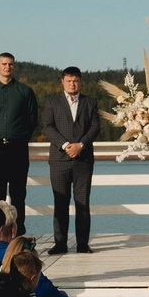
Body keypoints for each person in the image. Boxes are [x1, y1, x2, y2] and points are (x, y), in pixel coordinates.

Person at [40, 66, 102, 254]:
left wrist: (80, 145)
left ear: (80, 82)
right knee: (60, 203)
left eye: (75, 81)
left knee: (82, 203)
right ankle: (60, 244)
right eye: (68, 81)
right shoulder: (52, 102)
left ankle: (82, 244)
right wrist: (66, 145)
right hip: (59, 160)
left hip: (83, 160)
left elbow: (95, 127)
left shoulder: (90, 102)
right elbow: (47, 127)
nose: (72, 84)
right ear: (62, 82)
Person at [0, 53, 39, 233]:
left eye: (10, 64)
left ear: (14, 66)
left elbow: (32, 119)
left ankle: (18, 232)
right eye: (4, 64)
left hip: (18, 147)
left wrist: (21, 137)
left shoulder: (24, 91)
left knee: (19, 193)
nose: (7, 67)